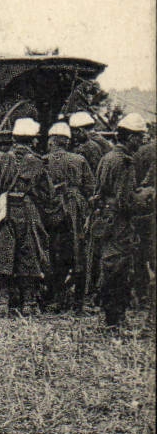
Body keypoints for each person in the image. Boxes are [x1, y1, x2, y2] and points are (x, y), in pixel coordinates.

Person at [0, 117, 60, 316]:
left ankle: (3, 301)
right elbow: (47, 194)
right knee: (29, 253)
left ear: (15, 138)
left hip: (6, 209)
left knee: (4, 252)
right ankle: (29, 302)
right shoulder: (36, 161)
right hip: (28, 210)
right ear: (32, 139)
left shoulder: (2, 158)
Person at [91, 112, 150, 329]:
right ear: (131, 137)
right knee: (120, 268)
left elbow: (100, 190)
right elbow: (125, 202)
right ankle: (114, 318)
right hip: (120, 223)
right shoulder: (125, 162)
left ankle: (109, 315)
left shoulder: (107, 157)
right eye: (140, 137)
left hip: (105, 219)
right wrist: (143, 200)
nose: (141, 141)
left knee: (109, 264)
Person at [42, 121, 96, 314]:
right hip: (76, 210)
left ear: (52, 141)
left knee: (53, 251)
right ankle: (79, 302)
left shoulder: (44, 161)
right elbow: (90, 187)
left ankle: (55, 297)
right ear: (67, 142)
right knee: (78, 253)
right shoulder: (79, 159)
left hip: (52, 209)